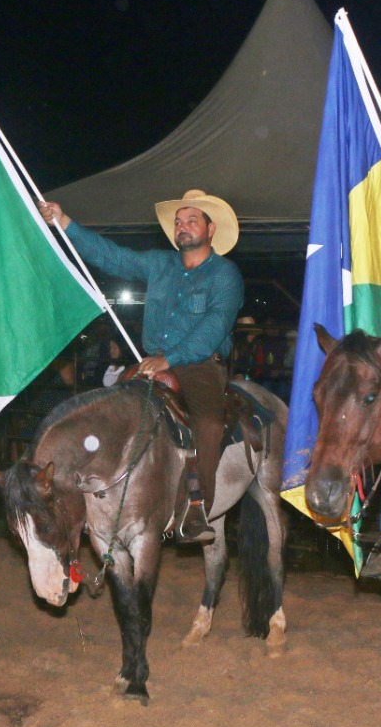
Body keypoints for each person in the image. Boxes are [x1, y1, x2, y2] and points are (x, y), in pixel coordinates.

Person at [40, 190, 244, 543]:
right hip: (152, 361)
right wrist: (64, 222)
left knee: (209, 423)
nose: (183, 227)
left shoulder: (225, 274)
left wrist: (172, 358)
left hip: (199, 364)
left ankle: (198, 505)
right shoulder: (160, 264)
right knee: (110, 408)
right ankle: (107, 494)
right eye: (179, 222)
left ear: (211, 230)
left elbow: (216, 323)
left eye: (192, 220)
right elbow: (112, 257)